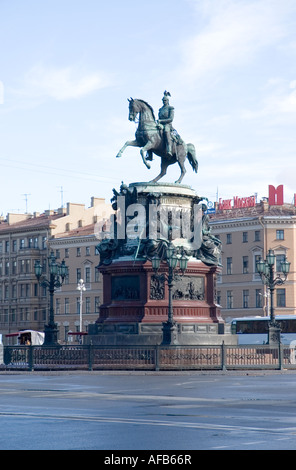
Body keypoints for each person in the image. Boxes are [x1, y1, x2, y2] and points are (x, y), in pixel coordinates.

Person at [157, 91, 174, 157]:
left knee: (166, 131)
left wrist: (161, 121)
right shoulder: (160, 109)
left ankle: (169, 149)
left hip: (168, 124)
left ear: (168, 101)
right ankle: (149, 153)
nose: (164, 101)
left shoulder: (170, 108)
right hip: (161, 124)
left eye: (165, 100)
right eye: (163, 100)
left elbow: (171, 119)